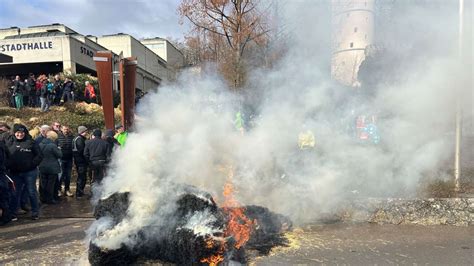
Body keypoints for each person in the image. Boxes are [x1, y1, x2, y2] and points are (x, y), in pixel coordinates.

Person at [6, 124, 43, 220]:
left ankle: (35, 212)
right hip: (15, 172)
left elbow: (39, 155)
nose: (20, 134)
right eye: (18, 132)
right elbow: (5, 155)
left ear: (25, 133)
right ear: (14, 133)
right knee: (15, 193)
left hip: (29, 172)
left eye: (22, 132)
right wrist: (8, 165)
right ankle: (13, 213)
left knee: (31, 191)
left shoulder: (31, 142)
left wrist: (32, 164)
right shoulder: (9, 142)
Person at [38, 131, 62, 204]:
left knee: (43, 183)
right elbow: (60, 155)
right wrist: (59, 149)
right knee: (50, 184)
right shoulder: (53, 145)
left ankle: (42, 198)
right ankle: (50, 199)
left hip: (42, 166)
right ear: (53, 138)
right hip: (52, 168)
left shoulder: (40, 144)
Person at [57, 125, 74, 197]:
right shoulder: (58, 137)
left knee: (68, 175)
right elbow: (55, 147)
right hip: (61, 159)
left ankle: (67, 189)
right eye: (64, 129)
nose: (66, 131)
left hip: (69, 159)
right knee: (60, 175)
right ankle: (59, 189)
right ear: (61, 129)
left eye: (67, 129)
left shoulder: (72, 137)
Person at [73, 126, 88, 198]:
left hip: (79, 160)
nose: (87, 133)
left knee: (82, 176)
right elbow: (82, 151)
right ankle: (79, 192)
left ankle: (80, 191)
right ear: (82, 132)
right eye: (85, 131)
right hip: (80, 161)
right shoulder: (79, 139)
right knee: (81, 177)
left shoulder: (78, 138)